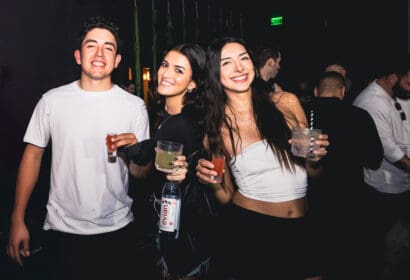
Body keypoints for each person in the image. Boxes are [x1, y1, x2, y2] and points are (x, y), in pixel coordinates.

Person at [7, 16, 155, 280]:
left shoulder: (134, 106)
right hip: (61, 230)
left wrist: (135, 152)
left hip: (118, 228)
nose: (100, 53)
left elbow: (139, 174)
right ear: (78, 56)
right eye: (91, 46)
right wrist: (17, 219)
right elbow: (32, 156)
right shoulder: (52, 101)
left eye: (108, 47)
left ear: (117, 60)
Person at [195, 37, 329, 280]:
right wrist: (213, 183)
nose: (239, 68)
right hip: (252, 230)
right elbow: (225, 196)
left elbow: (314, 173)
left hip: (304, 225)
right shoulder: (216, 130)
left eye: (243, 58)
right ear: (216, 73)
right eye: (227, 63)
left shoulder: (286, 103)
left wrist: (315, 159)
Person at [121, 43, 219, 279]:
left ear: (193, 83)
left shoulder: (182, 123)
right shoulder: (167, 117)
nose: (166, 73)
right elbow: (144, 170)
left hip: (184, 238)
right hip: (176, 232)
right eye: (165, 65)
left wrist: (126, 144)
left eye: (179, 70)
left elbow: (144, 155)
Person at [308, 71, 384, 279]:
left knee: (316, 261)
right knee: (347, 262)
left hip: (313, 201)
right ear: (342, 92)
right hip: (351, 201)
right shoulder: (359, 116)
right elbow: (375, 161)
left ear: (316, 91)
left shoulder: (305, 115)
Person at [353, 61, 410, 278]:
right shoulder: (372, 102)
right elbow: (389, 149)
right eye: (408, 81)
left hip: (401, 183)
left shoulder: (396, 94)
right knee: (385, 247)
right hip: (384, 188)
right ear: (393, 78)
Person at [254, 43, 308, 128]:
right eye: (278, 62)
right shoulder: (261, 90)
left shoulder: (268, 86)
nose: (279, 67)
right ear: (270, 62)